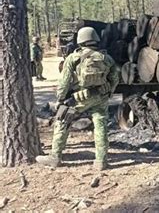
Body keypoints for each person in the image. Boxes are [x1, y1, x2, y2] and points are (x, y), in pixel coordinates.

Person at [36, 27, 119, 170]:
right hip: (100, 97)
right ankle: (101, 161)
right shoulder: (106, 58)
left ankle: (55, 157)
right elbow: (115, 79)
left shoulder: (74, 58)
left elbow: (64, 82)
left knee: (62, 121)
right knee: (100, 126)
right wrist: (109, 93)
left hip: (78, 98)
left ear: (80, 40)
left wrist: (60, 100)